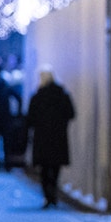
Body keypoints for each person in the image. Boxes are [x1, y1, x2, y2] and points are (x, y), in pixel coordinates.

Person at [26, 66, 75, 208]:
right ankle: (53, 195)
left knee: (44, 169)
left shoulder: (37, 96)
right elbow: (71, 113)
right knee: (55, 167)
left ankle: (48, 196)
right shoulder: (62, 95)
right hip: (59, 137)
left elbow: (30, 118)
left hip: (42, 138)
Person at [0, 62, 23, 171]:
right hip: (6, 117)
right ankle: (7, 164)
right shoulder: (6, 85)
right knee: (6, 141)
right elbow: (18, 98)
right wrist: (17, 113)